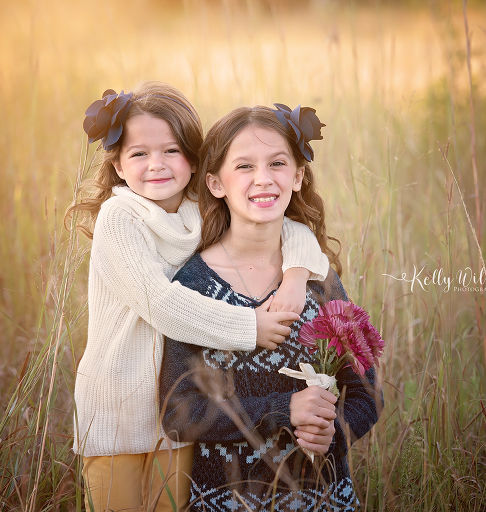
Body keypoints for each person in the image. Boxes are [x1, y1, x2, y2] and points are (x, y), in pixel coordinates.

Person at [66, 83, 330, 512]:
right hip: (118, 409)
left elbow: (284, 225)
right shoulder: (120, 218)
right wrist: (250, 327)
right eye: (139, 154)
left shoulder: (199, 210)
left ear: (194, 159)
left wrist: (296, 277)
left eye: (171, 150)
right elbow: (160, 303)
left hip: (180, 412)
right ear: (116, 163)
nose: (157, 165)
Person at [160, 104, 383, 511]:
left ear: (297, 176)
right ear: (215, 183)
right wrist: (284, 410)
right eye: (244, 166)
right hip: (227, 500)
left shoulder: (318, 280)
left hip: (323, 499)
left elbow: (367, 392)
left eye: (277, 163)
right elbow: (179, 414)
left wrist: (334, 430)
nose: (263, 179)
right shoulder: (192, 285)